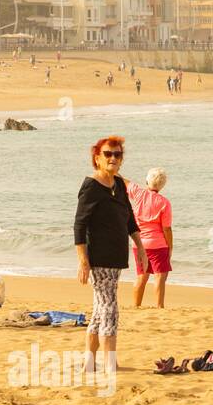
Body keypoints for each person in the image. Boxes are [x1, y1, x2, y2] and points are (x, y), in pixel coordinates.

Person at [74, 136, 146, 384]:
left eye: (117, 155)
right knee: (110, 310)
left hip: (117, 257)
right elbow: (79, 224)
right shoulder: (91, 186)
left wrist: (141, 248)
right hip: (99, 258)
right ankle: (109, 364)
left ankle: (89, 362)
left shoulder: (119, 185)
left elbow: (129, 220)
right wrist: (83, 260)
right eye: (108, 154)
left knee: (99, 311)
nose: (113, 158)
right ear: (97, 158)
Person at [127, 168, 173, 308]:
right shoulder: (164, 203)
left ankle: (136, 306)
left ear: (147, 181)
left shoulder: (138, 193)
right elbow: (166, 229)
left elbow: (124, 182)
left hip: (139, 243)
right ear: (162, 185)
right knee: (159, 277)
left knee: (142, 276)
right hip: (158, 244)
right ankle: (159, 306)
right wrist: (170, 247)